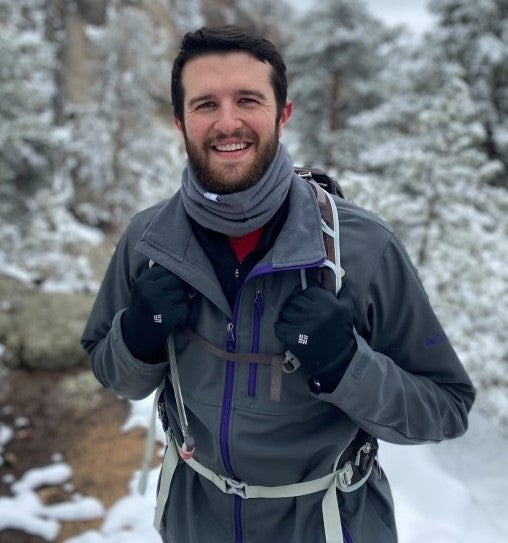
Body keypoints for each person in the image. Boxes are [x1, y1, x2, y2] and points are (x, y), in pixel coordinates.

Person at [81, 25, 475, 543]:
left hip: (326, 522)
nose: (227, 122)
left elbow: (444, 410)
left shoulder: (364, 248)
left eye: (248, 99)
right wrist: (136, 338)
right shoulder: (149, 242)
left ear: (283, 113)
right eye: (205, 104)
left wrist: (346, 367)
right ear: (180, 121)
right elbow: (115, 376)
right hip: (195, 520)